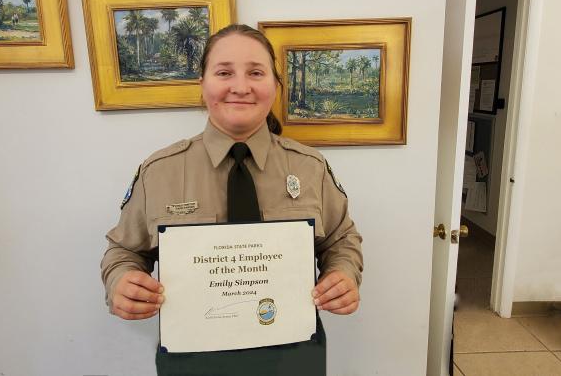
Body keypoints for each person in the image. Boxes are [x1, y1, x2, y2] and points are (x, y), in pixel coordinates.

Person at [100, 24, 363, 375]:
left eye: (256, 72)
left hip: (294, 356)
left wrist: (343, 274)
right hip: (192, 360)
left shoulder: (309, 167)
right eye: (224, 72)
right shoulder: (159, 171)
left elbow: (341, 239)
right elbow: (124, 251)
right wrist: (120, 281)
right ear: (202, 84)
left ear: (275, 85)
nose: (240, 87)